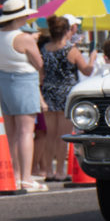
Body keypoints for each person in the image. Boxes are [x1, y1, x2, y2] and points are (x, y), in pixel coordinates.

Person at [0, 0, 47, 191]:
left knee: (11, 132)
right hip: (23, 80)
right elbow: (39, 63)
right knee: (26, 131)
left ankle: (16, 174)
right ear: (18, 18)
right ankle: (27, 178)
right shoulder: (23, 38)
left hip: (2, 79)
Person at [39, 14, 93, 182]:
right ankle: (60, 170)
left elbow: (41, 74)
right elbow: (87, 71)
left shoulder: (45, 49)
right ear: (67, 31)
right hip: (66, 93)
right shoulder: (72, 50)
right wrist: (92, 58)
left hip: (49, 91)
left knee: (50, 135)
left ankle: (48, 170)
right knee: (63, 135)